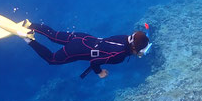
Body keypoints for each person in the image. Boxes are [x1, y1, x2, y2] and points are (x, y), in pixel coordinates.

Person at [20, 20, 150, 79]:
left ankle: (30, 25)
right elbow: (94, 62)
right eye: (141, 51)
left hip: (83, 37)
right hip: (78, 49)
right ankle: (28, 39)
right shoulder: (120, 56)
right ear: (133, 47)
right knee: (52, 59)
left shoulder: (125, 37)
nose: (141, 54)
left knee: (53, 36)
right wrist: (100, 72)